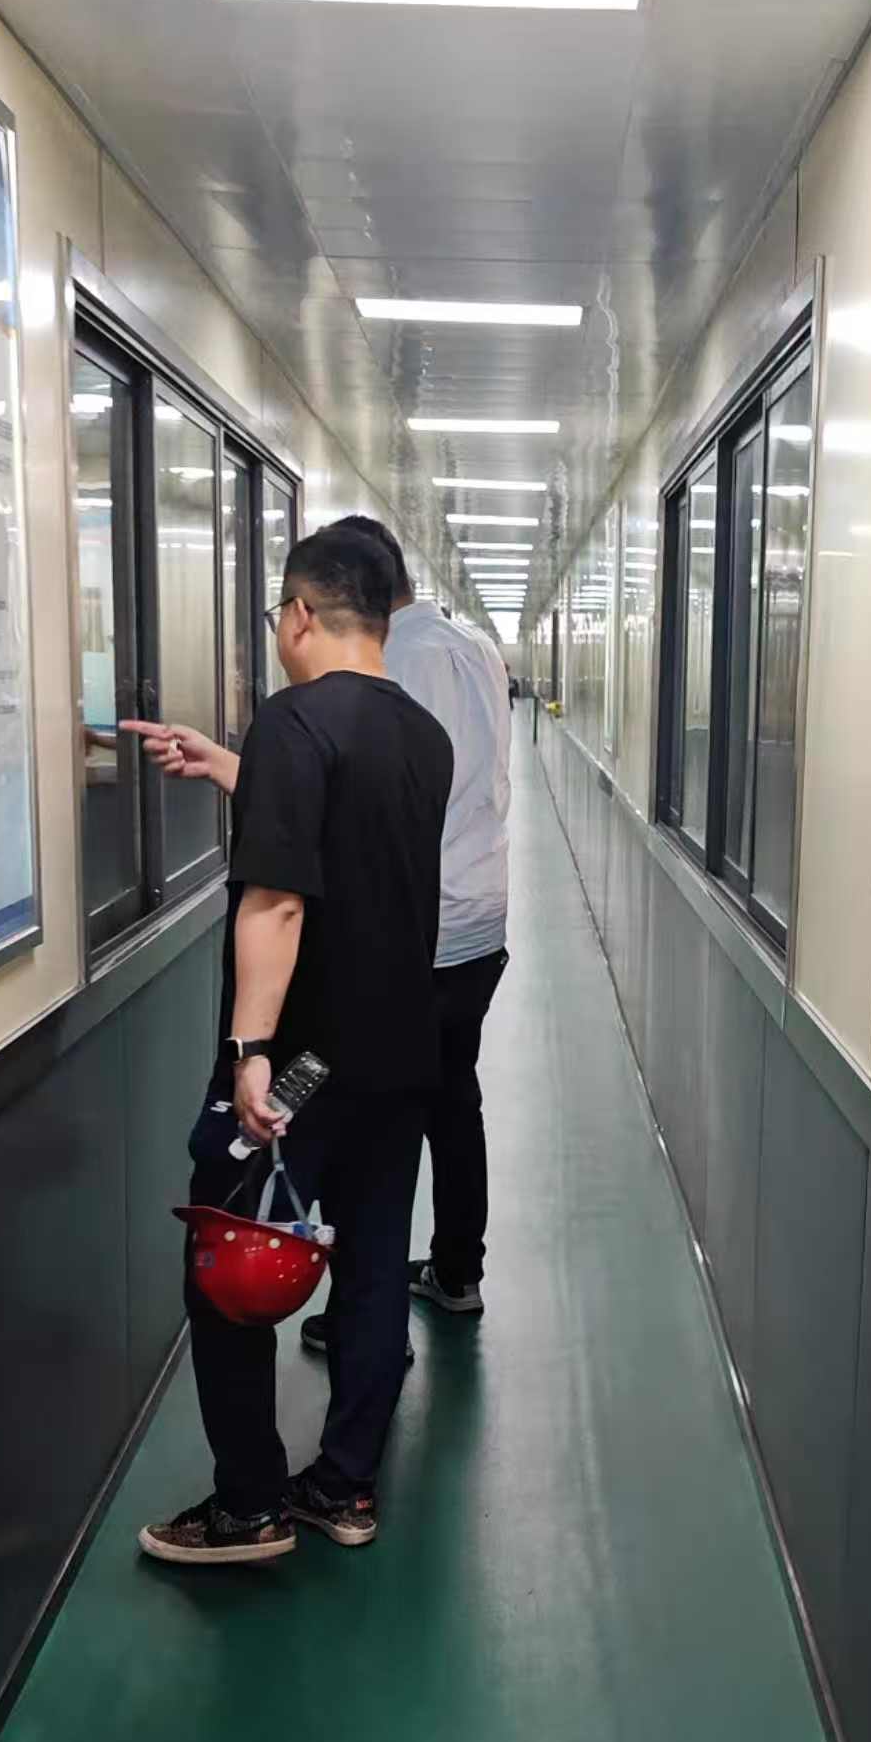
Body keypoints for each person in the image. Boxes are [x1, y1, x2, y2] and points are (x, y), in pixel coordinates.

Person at [123, 526, 453, 1567]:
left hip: (303, 1064)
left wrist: (250, 1050)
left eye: (278, 616)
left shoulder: (292, 720)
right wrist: (233, 768)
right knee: (370, 1266)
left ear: (301, 614)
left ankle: (248, 1504)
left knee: (226, 1263)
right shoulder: (423, 735)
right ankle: (344, 1484)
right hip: (398, 1054)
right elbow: (349, 832)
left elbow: (279, 901)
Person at [302, 515, 511, 1328]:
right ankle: (457, 1272)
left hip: (415, 928)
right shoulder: (476, 648)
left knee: (373, 1121)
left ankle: (366, 1319)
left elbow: (375, 803)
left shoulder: (397, 666)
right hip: (480, 921)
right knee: (454, 1101)